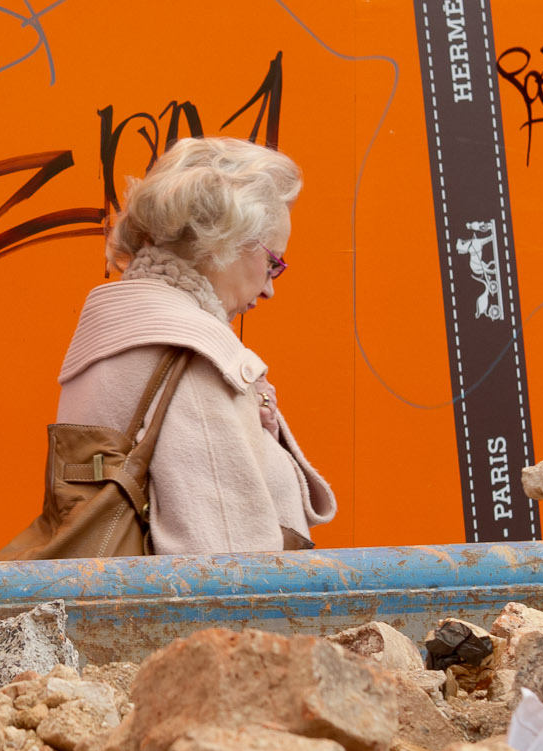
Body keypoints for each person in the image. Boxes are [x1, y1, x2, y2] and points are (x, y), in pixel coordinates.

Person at [52, 136, 336, 553]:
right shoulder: (191, 354)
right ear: (223, 241)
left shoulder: (122, 330)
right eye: (274, 262)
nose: (271, 288)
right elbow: (226, 560)